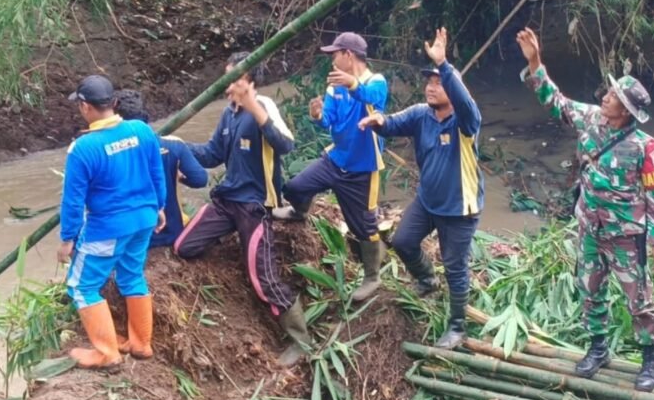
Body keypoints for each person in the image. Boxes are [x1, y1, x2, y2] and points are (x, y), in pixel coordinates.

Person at [516, 26, 654, 392]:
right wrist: (535, 61)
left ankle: (651, 359)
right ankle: (598, 348)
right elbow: (556, 101)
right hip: (590, 229)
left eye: (614, 96)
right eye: (610, 92)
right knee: (590, 289)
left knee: (639, 299)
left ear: (627, 110)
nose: (606, 97)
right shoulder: (590, 121)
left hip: (626, 237)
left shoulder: (645, 146)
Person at [173, 52, 310, 367]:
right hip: (227, 200)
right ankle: (229, 235)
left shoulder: (264, 108)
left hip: (255, 205)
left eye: (233, 78)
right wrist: (179, 146)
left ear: (251, 82)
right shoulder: (228, 114)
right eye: (226, 77)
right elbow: (211, 154)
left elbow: (286, 145)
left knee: (262, 278)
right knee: (184, 246)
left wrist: (254, 108)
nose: (227, 84)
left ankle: (301, 340)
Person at [358, 28, 483, 349]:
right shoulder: (421, 115)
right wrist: (379, 121)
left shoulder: (465, 122)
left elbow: (466, 102)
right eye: (429, 82)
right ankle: (426, 279)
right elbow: (394, 122)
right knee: (402, 241)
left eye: (437, 83)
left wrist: (445, 66)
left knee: (455, 266)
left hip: (459, 207)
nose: (430, 87)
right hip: (428, 201)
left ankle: (457, 327)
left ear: (452, 90)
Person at [57, 75, 166, 368]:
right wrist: (160, 206)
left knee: (81, 286)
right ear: (115, 103)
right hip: (144, 219)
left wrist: (67, 239)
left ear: (84, 107)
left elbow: (73, 201)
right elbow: (157, 172)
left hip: (108, 228)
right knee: (131, 275)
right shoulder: (141, 130)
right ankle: (141, 343)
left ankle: (106, 352)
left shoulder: (83, 149)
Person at [274, 32, 389, 303]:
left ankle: (372, 276)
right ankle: (299, 211)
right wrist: (317, 115)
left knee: (363, 226)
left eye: (335, 54)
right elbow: (328, 120)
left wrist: (352, 84)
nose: (332, 60)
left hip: (363, 167)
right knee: (294, 186)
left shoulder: (376, 82)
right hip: (336, 159)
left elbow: (372, 98)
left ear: (349, 55)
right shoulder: (334, 85)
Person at [113, 89, 208, 248]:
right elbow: (201, 179)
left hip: (133, 240)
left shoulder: (112, 153)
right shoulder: (173, 145)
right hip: (171, 234)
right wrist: (177, 176)